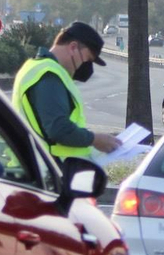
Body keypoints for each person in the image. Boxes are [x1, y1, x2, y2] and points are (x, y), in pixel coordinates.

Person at [11, 21, 120, 162]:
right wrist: (94, 139)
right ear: (73, 47)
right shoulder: (49, 75)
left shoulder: (38, 67)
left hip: (40, 167)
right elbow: (58, 129)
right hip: (47, 171)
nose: (87, 67)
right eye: (87, 60)